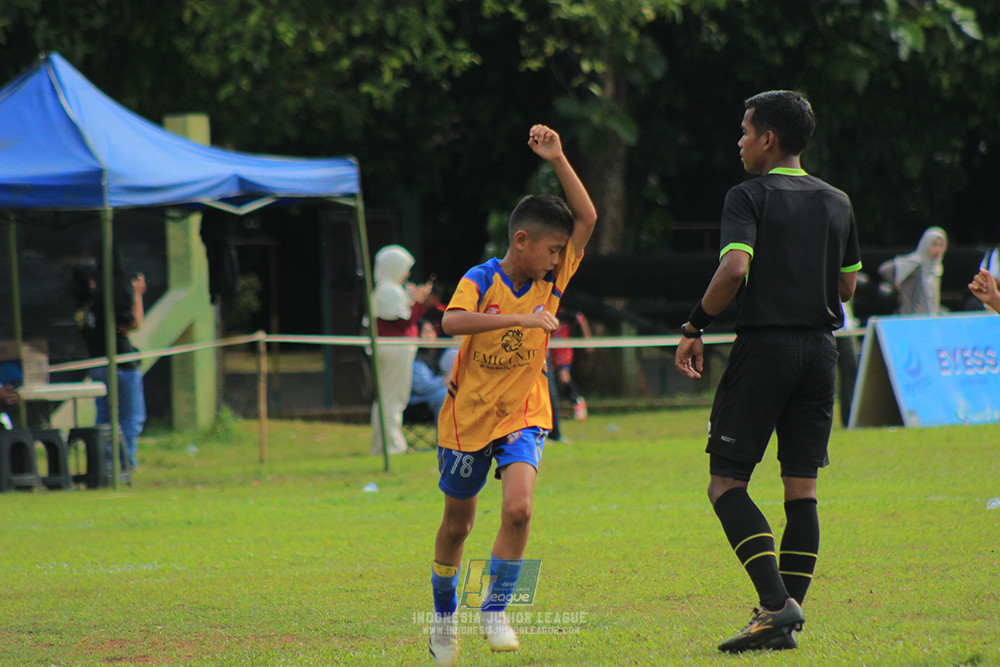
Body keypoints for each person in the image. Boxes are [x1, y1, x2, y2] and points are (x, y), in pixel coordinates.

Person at [674, 91, 861, 653]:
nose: (739, 141)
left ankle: (776, 606)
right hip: (821, 352)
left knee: (726, 484)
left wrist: (694, 325)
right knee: (802, 491)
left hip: (766, 349)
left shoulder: (748, 195)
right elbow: (847, 286)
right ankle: (781, 623)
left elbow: (734, 269)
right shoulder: (837, 201)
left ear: (768, 140)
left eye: (744, 131)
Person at [426, 124, 597, 667]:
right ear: (521, 241)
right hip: (467, 416)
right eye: (552, 249)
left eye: (561, 252)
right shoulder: (481, 278)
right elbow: (452, 321)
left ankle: (495, 609)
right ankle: (444, 618)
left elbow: (587, 218)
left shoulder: (554, 279)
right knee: (458, 526)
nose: (557, 258)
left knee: (519, 510)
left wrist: (559, 158)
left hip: (524, 410)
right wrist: (521, 319)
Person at [72, 254, 147, 469]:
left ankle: (104, 463)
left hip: (97, 367)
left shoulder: (81, 310)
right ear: (92, 281)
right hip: (122, 366)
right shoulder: (104, 305)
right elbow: (134, 323)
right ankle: (125, 462)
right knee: (130, 417)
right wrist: (137, 294)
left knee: (104, 418)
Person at [369, 245, 432, 456]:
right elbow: (403, 321)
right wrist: (418, 302)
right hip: (394, 350)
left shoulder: (389, 289)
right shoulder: (388, 290)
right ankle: (392, 446)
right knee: (392, 399)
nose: (407, 274)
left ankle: (383, 445)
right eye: (405, 269)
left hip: (395, 350)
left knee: (388, 398)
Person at [877, 227, 948, 315]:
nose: (937, 250)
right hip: (912, 314)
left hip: (928, 314)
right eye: (934, 245)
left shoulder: (936, 268)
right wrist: (897, 284)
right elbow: (884, 269)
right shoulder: (916, 263)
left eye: (941, 245)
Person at [409, 318, 449, 420]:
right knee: (445, 395)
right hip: (416, 403)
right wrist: (444, 382)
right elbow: (422, 387)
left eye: (432, 331)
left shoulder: (430, 357)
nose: (430, 335)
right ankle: (443, 430)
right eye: (425, 332)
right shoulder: (415, 358)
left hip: (430, 398)